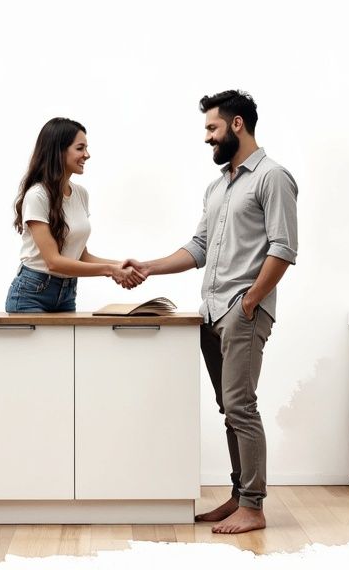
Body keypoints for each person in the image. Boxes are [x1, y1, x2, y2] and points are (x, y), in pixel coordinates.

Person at [124, 90, 298, 534]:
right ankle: (239, 496)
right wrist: (150, 267)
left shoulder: (273, 178)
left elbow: (283, 248)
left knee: (242, 407)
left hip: (243, 311)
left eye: (212, 128)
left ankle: (254, 508)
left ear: (237, 124)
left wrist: (251, 301)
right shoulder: (218, 186)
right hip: (211, 311)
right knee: (230, 409)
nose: (207, 138)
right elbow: (199, 247)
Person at [5, 117, 144, 313]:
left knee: (67, 345)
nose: (87, 155)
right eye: (80, 148)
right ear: (58, 151)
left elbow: (81, 255)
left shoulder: (80, 194)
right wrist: (110, 270)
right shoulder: (37, 196)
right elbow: (53, 262)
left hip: (67, 293)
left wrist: (120, 264)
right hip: (32, 293)